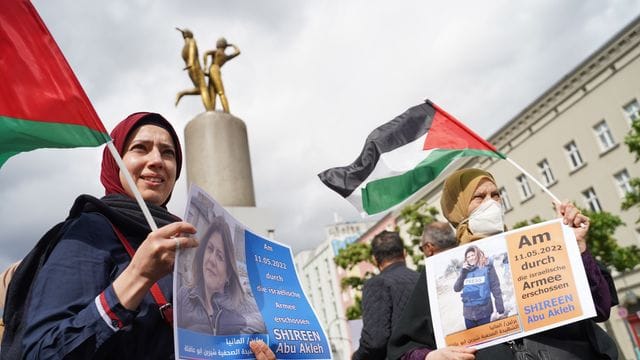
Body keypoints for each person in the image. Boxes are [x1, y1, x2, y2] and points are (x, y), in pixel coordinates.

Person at [9, 112, 275, 359]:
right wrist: (137, 276)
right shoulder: (89, 232)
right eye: (140, 148)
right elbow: (41, 351)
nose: (157, 161)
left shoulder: (188, 242)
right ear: (115, 163)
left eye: (168, 153)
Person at [387, 168, 617, 360]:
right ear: (456, 207)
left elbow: (599, 307)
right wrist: (431, 357)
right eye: (479, 197)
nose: (492, 203)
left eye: (496, 195)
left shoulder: (538, 248)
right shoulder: (439, 273)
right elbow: (403, 351)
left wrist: (577, 247)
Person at [178, 215, 266, 335]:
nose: (212, 259)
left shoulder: (242, 304)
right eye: (209, 249)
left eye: (220, 256)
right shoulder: (184, 296)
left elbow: (265, 322)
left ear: (229, 273)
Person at [352, 231, 420, 360]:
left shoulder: (377, 284)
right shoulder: (422, 278)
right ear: (404, 253)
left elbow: (375, 341)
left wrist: (356, 357)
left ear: (374, 260)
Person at [453, 245, 504, 329]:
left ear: (477, 255)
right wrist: (463, 272)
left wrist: (500, 308)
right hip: (468, 316)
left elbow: (495, 288)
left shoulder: (487, 267)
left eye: (472, 255)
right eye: (468, 257)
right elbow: (456, 288)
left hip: (484, 314)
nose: (470, 258)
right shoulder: (465, 271)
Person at [203, 37, 240, 113]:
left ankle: (226, 111)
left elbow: (206, 53)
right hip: (216, 70)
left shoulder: (217, 52)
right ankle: (212, 111)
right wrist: (232, 45)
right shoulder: (225, 56)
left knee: (219, 92)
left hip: (213, 69)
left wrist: (205, 66)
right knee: (213, 93)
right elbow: (238, 52)